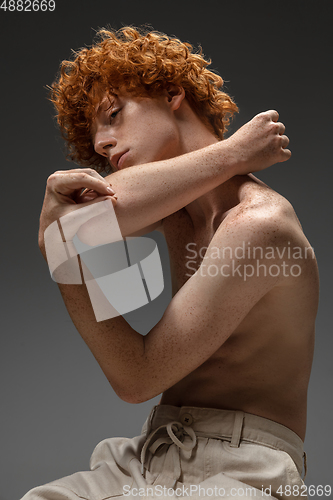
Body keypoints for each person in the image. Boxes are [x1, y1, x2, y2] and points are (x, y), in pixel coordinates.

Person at [24, 27, 319, 499]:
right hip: (149, 455)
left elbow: (138, 377)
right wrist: (233, 152)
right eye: (95, 133)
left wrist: (59, 251)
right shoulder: (178, 213)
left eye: (113, 115)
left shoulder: (260, 225)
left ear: (172, 92)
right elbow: (67, 227)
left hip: (242, 470)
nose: (101, 143)